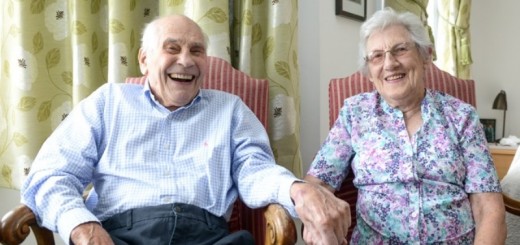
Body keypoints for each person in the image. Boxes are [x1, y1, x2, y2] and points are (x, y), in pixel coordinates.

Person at [21, 14, 351, 245]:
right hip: (119, 234)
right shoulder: (108, 102)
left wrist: (297, 190)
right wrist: (84, 228)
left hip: (209, 236)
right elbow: (50, 176)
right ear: (144, 59)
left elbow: (256, 172)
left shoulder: (230, 109)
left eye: (196, 50)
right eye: (172, 48)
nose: (186, 60)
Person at [304, 8, 506, 244]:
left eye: (400, 49)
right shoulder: (355, 114)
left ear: (425, 56)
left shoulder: (462, 117)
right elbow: (317, 184)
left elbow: (489, 209)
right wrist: (318, 219)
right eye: (377, 56)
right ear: (369, 72)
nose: (389, 64)